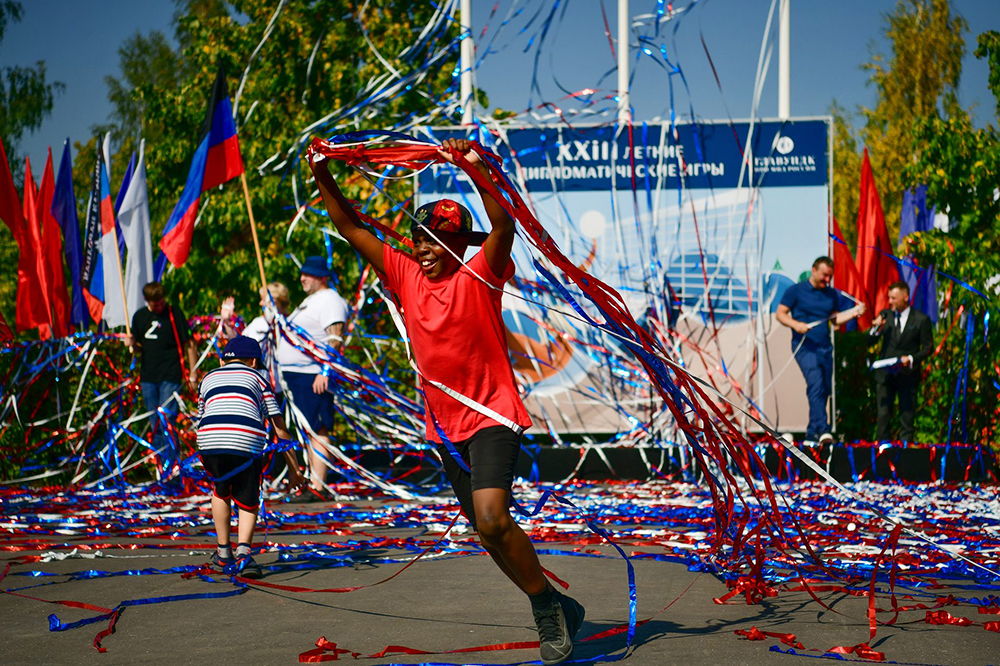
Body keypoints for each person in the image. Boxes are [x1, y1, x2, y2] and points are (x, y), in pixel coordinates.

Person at [309, 137, 585, 666]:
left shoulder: (482, 272)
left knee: (491, 518)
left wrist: (474, 166)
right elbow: (350, 227)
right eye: (420, 238)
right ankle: (552, 602)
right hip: (443, 427)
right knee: (489, 536)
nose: (426, 247)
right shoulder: (406, 275)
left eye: (439, 239)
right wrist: (323, 171)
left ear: (461, 245)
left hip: (492, 414)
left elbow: (502, 227)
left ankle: (547, 614)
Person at [197, 335, 297, 578]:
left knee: (220, 490)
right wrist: (295, 469)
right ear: (253, 361)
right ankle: (243, 554)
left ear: (222, 361)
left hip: (209, 440)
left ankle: (222, 553)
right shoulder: (258, 379)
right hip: (245, 440)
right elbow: (279, 427)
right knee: (248, 494)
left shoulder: (207, 378)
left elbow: (202, 415)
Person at [275, 257, 350, 494]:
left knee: (318, 429)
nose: (302, 278)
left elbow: (335, 337)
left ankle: (318, 485)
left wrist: (325, 370)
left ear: (322, 277)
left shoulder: (330, 300)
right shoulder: (311, 301)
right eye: (302, 274)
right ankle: (312, 482)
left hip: (313, 376)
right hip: (298, 378)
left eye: (308, 274)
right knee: (307, 430)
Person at [776, 257, 865, 444]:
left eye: (830, 276)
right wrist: (796, 324)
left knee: (823, 388)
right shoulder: (796, 291)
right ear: (814, 270)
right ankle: (824, 430)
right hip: (805, 347)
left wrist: (854, 313)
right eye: (825, 275)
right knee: (815, 382)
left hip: (824, 347)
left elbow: (834, 321)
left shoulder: (831, 294)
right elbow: (780, 313)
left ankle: (812, 433)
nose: (827, 280)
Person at [125, 281, 199, 478]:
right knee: (155, 425)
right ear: (147, 301)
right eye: (155, 304)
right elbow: (139, 347)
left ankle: (173, 469)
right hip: (148, 377)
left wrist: (193, 372)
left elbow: (189, 343)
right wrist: (132, 344)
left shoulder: (174, 314)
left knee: (168, 422)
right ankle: (161, 470)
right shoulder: (139, 317)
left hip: (171, 375)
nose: (159, 307)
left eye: (161, 302)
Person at [870, 281, 932, 442]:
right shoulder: (886, 316)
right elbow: (868, 341)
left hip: (907, 374)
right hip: (885, 375)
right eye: (889, 298)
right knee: (883, 413)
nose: (890, 302)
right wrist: (875, 329)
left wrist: (911, 359)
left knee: (907, 413)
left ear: (905, 297)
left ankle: (906, 450)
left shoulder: (920, 319)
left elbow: (927, 348)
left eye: (894, 298)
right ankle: (882, 448)